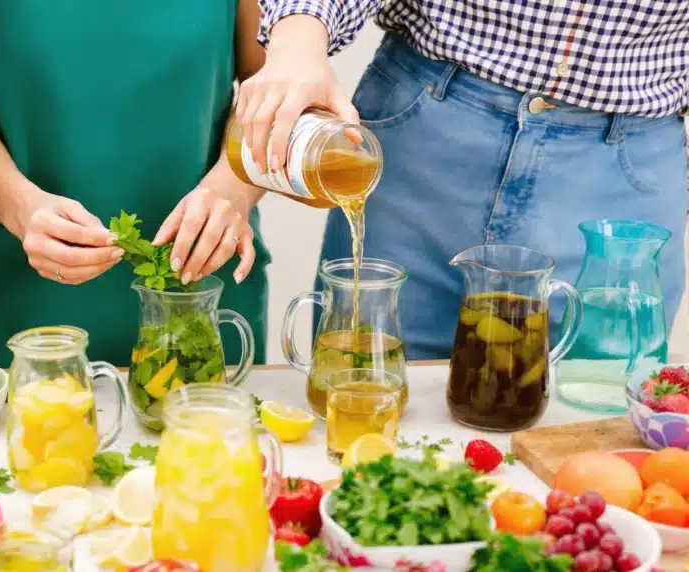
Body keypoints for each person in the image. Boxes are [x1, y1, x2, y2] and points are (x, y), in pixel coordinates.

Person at [238, 1, 689, 359]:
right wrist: (298, 43)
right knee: (368, 389)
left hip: (622, 186)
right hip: (425, 137)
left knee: (594, 436)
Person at [0, 0, 272, 367]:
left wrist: (233, 188)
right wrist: (21, 208)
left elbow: (273, 91)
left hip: (205, 305)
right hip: (21, 310)